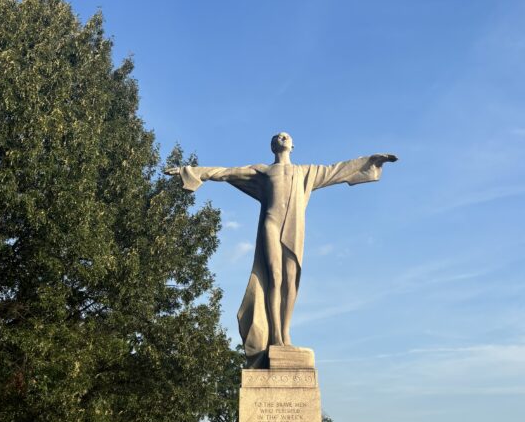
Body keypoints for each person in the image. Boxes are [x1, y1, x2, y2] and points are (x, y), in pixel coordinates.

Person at [166, 134, 397, 367]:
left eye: (287, 135)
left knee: (290, 280)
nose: (282, 136)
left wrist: (370, 161)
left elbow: (337, 170)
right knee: (274, 279)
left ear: (292, 145)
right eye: (278, 136)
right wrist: (190, 171)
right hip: (272, 224)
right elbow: (224, 173)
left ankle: (286, 333)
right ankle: (276, 335)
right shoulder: (263, 171)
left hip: (293, 228)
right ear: (273, 145)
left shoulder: (306, 172)